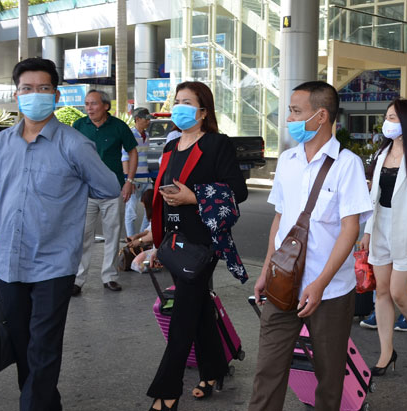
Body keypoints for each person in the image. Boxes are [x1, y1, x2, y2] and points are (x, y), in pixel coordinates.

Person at [0, 57, 120, 411]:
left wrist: (67, 206)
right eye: (27, 89)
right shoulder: (2, 144)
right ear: (16, 94)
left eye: (43, 89)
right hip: (9, 263)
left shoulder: (74, 144)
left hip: (54, 264)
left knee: (43, 346)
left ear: (56, 95)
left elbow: (108, 187)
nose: (35, 95)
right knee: (23, 344)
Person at [249, 81, 372, 411]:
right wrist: (265, 271)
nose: (288, 117)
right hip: (281, 284)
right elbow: (279, 221)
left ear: (320, 116)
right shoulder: (287, 160)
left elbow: (350, 230)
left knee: (329, 378)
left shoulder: (348, 165)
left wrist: (319, 284)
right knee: (267, 372)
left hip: (329, 292)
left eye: (295, 111)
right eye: (289, 110)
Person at [147, 81, 247, 411]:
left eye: (186, 102)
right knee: (200, 307)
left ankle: (167, 389)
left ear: (203, 111)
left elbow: (238, 190)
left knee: (184, 314)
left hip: (203, 242)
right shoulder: (170, 147)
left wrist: (194, 196)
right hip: (174, 240)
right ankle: (214, 369)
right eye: (176, 101)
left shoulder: (217, 144)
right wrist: (152, 237)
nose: (179, 107)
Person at [358, 99, 407, 375]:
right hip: (380, 228)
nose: (386, 122)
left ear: (406, 122)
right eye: (387, 117)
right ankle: (386, 353)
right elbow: (373, 197)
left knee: (398, 292)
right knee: (382, 293)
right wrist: (366, 231)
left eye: (392, 117)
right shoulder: (382, 153)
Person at [72, 90, 139, 295]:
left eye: (93, 103)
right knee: (83, 235)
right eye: (86, 104)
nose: (89, 108)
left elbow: (133, 152)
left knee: (112, 234)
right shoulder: (79, 126)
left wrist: (129, 181)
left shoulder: (119, 127)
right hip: (86, 191)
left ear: (105, 106)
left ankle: (109, 277)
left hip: (113, 190)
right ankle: (77, 279)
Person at [123, 108, 154, 238]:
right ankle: (131, 239)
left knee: (150, 210)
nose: (148, 121)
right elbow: (125, 158)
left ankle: (141, 237)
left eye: (149, 118)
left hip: (146, 178)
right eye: (145, 118)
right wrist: (128, 180)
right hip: (134, 179)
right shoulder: (129, 134)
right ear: (137, 119)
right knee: (131, 211)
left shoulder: (146, 136)